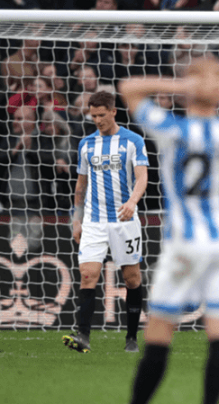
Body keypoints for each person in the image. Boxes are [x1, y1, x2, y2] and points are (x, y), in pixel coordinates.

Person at [119, 57, 219, 404]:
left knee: (159, 335)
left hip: (184, 247)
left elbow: (128, 87)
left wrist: (187, 87)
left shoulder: (172, 129)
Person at [62, 91, 148, 354]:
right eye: (93, 115)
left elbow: (142, 177)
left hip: (125, 220)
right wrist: (77, 220)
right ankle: (83, 337)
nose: (97, 120)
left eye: (101, 115)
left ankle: (131, 338)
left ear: (113, 112)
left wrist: (132, 201)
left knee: (131, 279)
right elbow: (81, 185)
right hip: (94, 222)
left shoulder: (133, 141)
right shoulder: (86, 144)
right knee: (88, 276)